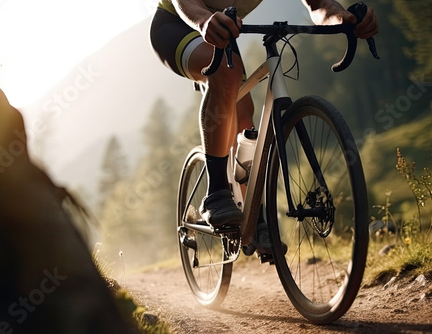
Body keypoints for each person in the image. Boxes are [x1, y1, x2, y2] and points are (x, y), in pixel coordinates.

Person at [150, 0, 378, 254]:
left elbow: (319, 4)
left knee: (245, 117)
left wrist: (344, 19)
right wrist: (203, 20)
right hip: (178, 25)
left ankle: (254, 218)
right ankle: (216, 193)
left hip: (224, 26)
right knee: (227, 74)